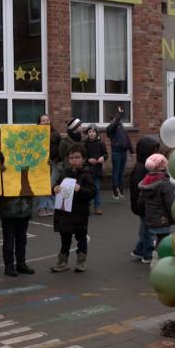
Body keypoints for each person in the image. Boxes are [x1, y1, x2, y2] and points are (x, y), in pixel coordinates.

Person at [51, 144, 96, 273]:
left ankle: (81, 261)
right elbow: (56, 186)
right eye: (71, 157)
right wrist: (55, 189)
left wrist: (80, 189)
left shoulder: (87, 175)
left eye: (77, 157)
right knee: (65, 238)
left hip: (79, 213)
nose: (74, 160)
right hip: (64, 212)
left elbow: (92, 193)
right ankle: (62, 261)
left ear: (83, 158)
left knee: (81, 237)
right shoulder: (65, 173)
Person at [0, 159, 34, 277]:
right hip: (8, 208)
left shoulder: (29, 157)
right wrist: (1, 165)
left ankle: (21, 263)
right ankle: (9, 265)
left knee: (22, 239)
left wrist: (43, 165)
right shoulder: (3, 158)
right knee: (9, 240)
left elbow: (37, 176)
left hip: (25, 207)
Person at [137, 153, 175, 262]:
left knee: (156, 237)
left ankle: (154, 257)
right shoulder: (165, 184)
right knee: (163, 239)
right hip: (162, 216)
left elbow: (141, 200)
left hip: (150, 215)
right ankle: (159, 260)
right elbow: (170, 202)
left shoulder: (146, 180)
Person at [130, 136, 163, 263]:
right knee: (149, 229)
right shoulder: (142, 169)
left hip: (142, 205)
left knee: (144, 228)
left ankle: (139, 249)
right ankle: (148, 253)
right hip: (144, 205)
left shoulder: (142, 167)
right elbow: (140, 189)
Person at [34, 113, 60, 218]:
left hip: (53, 163)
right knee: (42, 186)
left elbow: (60, 149)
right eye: (43, 120)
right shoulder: (35, 135)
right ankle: (44, 208)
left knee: (49, 186)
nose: (46, 122)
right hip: (40, 164)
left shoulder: (55, 134)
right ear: (39, 123)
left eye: (47, 120)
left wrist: (55, 159)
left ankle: (50, 206)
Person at [106, 106, 132, 200]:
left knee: (121, 172)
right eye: (116, 120)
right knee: (116, 172)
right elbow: (115, 123)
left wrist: (131, 150)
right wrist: (119, 114)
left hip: (123, 152)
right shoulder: (110, 128)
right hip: (116, 153)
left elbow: (127, 139)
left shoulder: (121, 128)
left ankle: (120, 189)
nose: (118, 121)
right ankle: (115, 191)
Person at [83, 125, 107, 215]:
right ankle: (87, 207)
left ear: (96, 133)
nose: (91, 134)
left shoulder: (100, 143)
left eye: (93, 132)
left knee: (96, 188)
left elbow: (105, 154)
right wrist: (88, 160)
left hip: (97, 170)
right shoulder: (85, 144)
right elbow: (83, 156)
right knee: (87, 189)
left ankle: (98, 207)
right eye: (89, 132)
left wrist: (102, 158)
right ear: (87, 134)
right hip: (87, 170)